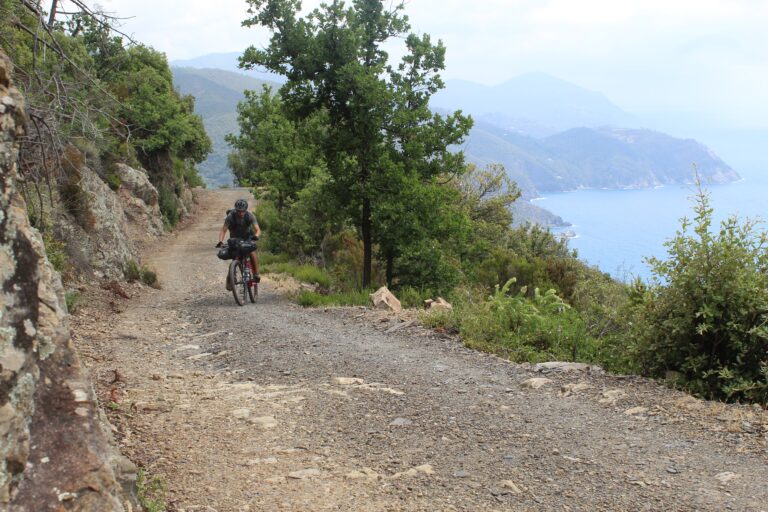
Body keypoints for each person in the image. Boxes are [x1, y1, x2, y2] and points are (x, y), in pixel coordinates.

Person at [217, 199, 262, 288]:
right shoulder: (230, 217)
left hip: (248, 237)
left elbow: (258, 230)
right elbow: (223, 230)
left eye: (243, 211)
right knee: (235, 258)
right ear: (236, 210)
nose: (241, 213)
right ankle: (230, 279)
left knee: (252, 252)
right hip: (235, 239)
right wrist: (221, 241)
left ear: (246, 210)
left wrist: (256, 236)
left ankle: (256, 274)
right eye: (239, 211)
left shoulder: (250, 216)